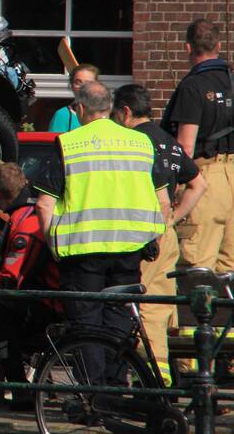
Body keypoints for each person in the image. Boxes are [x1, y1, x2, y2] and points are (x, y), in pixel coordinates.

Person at [34, 81, 170, 383]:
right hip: (130, 252)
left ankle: (93, 397)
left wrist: (54, 244)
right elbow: (163, 201)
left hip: (83, 253)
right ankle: (117, 388)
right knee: (119, 321)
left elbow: (44, 204)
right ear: (109, 108)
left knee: (86, 325)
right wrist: (153, 241)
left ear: (80, 109)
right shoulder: (141, 143)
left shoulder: (69, 143)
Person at [113, 83, 206, 385]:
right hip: (165, 234)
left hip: (141, 235)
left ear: (125, 112)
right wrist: (173, 219)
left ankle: (152, 381)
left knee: (140, 307)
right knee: (162, 308)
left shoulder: (131, 142)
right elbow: (198, 184)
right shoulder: (169, 141)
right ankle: (168, 375)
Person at [0, 163, 60, 409]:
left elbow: (11, 278)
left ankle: (19, 389)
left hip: (47, 305)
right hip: (41, 299)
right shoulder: (26, 215)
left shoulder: (26, 223)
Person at [161, 18, 234, 274]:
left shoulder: (193, 86)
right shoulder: (230, 81)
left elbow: (185, 146)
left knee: (197, 265)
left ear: (188, 48)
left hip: (205, 176)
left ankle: (200, 316)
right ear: (219, 45)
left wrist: (175, 187)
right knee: (229, 268)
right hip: (232, 176)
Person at [48, 63, 100, 133]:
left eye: (88, 83)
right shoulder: (62, 115)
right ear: (72, 86)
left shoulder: (104, 115)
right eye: (78, 82)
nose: (82, 87)